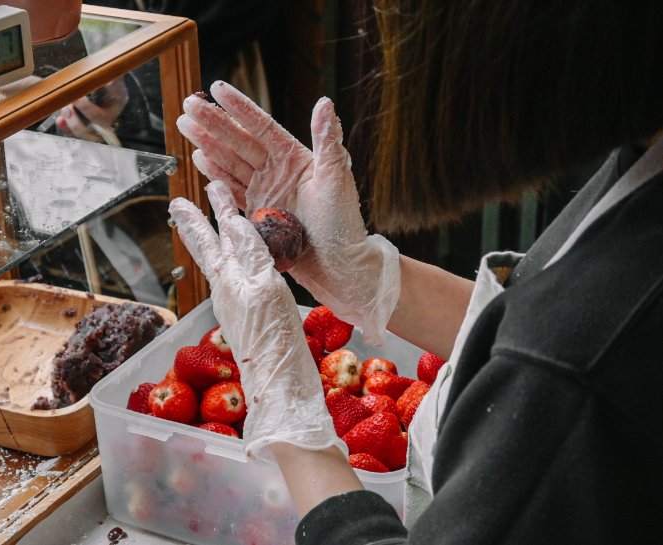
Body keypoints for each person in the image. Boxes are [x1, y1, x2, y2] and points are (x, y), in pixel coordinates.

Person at [168, 1, 663, 544]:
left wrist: (291, 420)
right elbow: (545, 317)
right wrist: (373, 282)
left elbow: (562, 350)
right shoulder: (644, 161)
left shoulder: (574, 379)